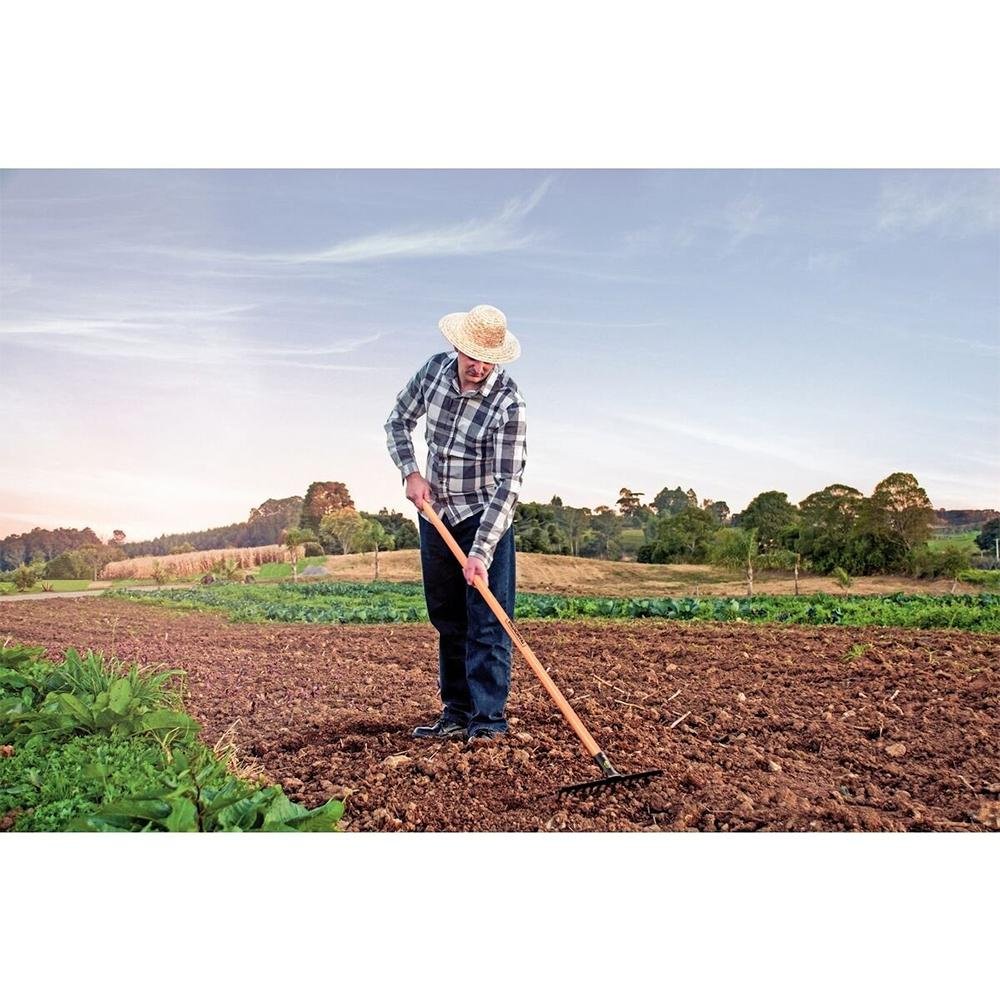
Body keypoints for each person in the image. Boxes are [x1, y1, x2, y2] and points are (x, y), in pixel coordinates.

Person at [384, 304, 527, 746]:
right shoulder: (432, 373)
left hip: (485, 518)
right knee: (448, 618)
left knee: (487, 621)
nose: (479, 365)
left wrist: (481, 551)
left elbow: (509, 485)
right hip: (436, 514)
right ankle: (456, 713)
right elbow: (397, 421)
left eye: (489, 358)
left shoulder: (509, 404)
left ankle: (488, 722)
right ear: (457, 346)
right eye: (472, 354)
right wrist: (410, 472)